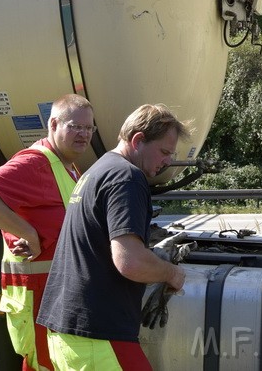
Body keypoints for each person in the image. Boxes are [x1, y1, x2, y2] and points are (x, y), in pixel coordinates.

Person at [37, 103, 189, 371]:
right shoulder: (127, 177)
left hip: (66, 333)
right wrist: (171, 273)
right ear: (138, 140)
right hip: (99, 337)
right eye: (164, 152)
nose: (168, 161)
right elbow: (130, 262)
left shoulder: (99, 169)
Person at [0, 94, 94, 371]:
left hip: (54, 293)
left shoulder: (68, 165)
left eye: (88, 128)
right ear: (53, 124)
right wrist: (29, 233)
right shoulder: (35, 163)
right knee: (42, 364)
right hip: (38, 295)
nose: (83, 134)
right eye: (75, 126)